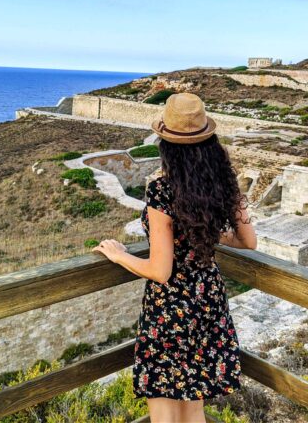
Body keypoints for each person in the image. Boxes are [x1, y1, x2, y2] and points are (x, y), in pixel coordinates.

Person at [93, 92, 257, 423]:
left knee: (163, 402)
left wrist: (119, 255)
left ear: (166, 143)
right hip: (208, 300)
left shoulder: (162, 189)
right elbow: (247, 241)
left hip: (170, 307)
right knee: (193, 404)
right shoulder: (224, 182)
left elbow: (160, 271)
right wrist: (203, 232)